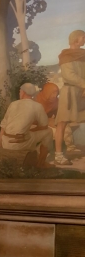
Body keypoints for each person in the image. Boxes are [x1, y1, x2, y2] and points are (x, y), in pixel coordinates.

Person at [0, 83, 52, 168]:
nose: (19, 93)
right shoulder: (37, 106)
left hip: (6, 142)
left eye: (20, 91)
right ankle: (41, 163)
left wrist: (0, 144)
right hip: (20, 144)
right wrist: (31, 129)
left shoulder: (13, 104)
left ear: (23, 92)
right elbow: (45, 126)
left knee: (29, 130)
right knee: (49, 132)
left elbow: (3, 126)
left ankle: (36, 159)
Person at [55, 30, 85, 165]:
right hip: (69, 93)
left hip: (82, 92)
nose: (84, 40)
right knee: (62, 124)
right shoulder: (66, 56)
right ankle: (58, 156)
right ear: (76, 39)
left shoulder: (83, 55)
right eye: (83, 37)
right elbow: (69, 75)